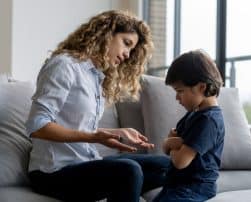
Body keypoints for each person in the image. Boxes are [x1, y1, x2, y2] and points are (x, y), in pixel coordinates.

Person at [25, 10, 170, 202]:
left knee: (166, 166)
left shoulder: (95, 77)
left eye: (132, 50)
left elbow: (75, 125)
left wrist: (116, 132)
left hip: (85, 162)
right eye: (126, 43)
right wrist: (94, 137)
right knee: (129, 171)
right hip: (52, 172)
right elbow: (37, 125)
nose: (127, 54)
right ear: (106, 34)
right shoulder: (64, 65)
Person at [153, 50, 225, 202]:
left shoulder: (209, 121)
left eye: (180, 91)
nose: (177, 97)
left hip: (194, 188)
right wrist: (173, 144)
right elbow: (170, 147)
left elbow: (180, 161)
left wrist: (171, 143)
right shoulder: (195, 113)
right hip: (178, 184)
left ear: (201, 87)